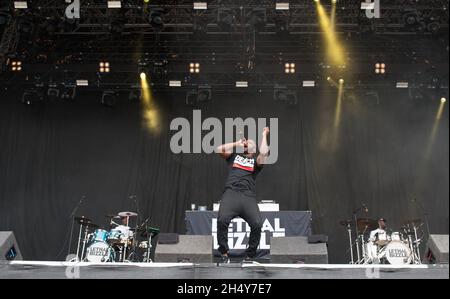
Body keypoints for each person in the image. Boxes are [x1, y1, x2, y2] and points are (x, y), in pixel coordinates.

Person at [215, 127, 270, 264]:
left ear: (254, 148)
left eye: (251, 143)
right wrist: (237, 143)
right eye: (247, 142)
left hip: (247, 196)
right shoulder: (234, 157)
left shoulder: (256, 163)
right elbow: (218, 149)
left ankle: (250, 256)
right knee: (222, 220)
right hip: (231, 193)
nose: (248, 143)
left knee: (257, 224)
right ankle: (224, 254)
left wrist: (264, 134)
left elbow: (264, 152)